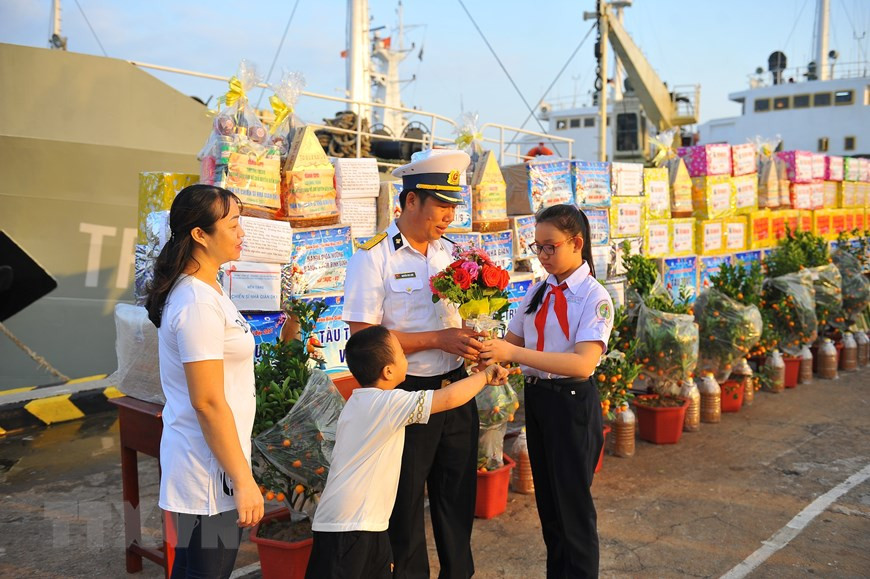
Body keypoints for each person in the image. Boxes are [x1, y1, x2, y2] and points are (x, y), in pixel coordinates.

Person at [342, 149, 486, 578]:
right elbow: (363, 340)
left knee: (457, 498)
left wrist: (476, 339)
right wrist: (436, 339)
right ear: (409, 202)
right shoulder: (373, 257)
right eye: (440, 205)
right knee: (404, 505)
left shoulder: (454, 253)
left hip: (456, 388)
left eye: (452, 206)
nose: (448, 215)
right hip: (405, 397)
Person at [305, 325, 510, 578]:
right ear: (388, 370)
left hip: (366, 524)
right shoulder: (386, 404)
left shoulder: (361, 402)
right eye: (402, 353)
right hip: (349, 528)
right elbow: (446, 398)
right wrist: (486, 376)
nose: (407, 357)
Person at [479, 204, 613, 578]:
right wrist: (485, 352)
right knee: (550, 511)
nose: (543, 255)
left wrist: (513, 354)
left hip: (572, 404)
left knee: (574, 513)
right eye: (537, 247)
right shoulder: (538, 291)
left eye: (550, 246)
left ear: (577, 244)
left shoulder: (593, 296)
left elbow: (582, 363)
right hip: (538, 402)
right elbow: (509, 344)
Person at [145, 184, 263, 579]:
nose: (241, 233)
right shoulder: (195, 302)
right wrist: (243, 480)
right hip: (208, 472)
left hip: (214, 465)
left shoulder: (208, 289)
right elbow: (208, 401)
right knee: (206, 572)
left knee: (198, 572)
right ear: (200, 234)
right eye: (233, 225)